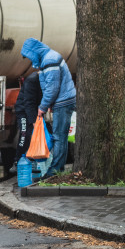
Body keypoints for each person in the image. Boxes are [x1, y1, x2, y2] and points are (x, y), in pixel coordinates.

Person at [21, 38, 76, 178]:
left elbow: (52, 87)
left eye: (29, 56)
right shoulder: (47, 58)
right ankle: (57, 168)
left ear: (34, 52)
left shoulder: (49, 60)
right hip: (62, 101)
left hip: (63, 102)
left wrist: (43, 106)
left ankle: (55, 170)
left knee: (59, 137)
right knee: (59, 136)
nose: (29, 60)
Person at [10, 71, 42, 173]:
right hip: (23, 110)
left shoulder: (45, 79)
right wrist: (33, 121)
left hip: (34, 110)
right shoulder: (32, 80)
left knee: (35, 135)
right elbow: (29, 103)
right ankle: (17, 161)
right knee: (25, 134)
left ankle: (32, 160)